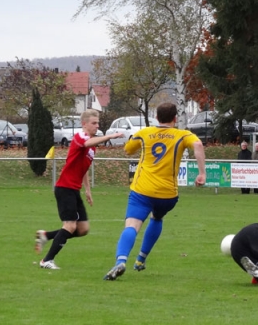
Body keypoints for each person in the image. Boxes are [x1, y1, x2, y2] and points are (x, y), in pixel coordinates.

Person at [104, 102, 207, 280]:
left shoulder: (145, 133)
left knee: (132, 226)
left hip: (142, 190)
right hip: (167, 194)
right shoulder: (182, 135)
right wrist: (202, 173)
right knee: (157, 218)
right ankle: (140, 260)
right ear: (175, 118)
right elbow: (198, 145)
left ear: (157, 118)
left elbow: (127, 150)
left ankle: (121, 261)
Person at [35, 109, 124, 269]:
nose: (97, 126)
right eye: (94, 123)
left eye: (98, 123)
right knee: (70, 226)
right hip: (65, 188)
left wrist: (88, 190)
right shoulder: (80, 137)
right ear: (84, 124)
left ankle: (46, 236)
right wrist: (110, 136)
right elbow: (87, 143)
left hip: (74, 190)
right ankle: (46, 260)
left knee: (83, 229)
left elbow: (84, 168)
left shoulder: (92, 147)